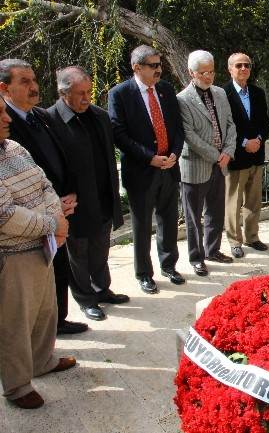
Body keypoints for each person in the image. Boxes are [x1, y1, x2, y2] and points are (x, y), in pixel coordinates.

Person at [0, 96, 77, 409]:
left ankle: (42, 361)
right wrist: (52, 224)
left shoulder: (14, 148)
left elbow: (45, 184)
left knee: (45, 310)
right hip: (13, 255)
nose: (7, 118)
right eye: (0, 114)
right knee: (15, 322)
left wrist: (55, 219)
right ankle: (17, 385)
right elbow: (5, 215)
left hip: (44, 245)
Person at [0, 58, 86, 335]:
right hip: (29, 229)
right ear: (4, 88)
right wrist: (52, 213)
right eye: (24, 82)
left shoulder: (41, 116)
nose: (34, 87)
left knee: (58, 270)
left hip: (57, 210)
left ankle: (57, 322)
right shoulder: (8, 127)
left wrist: (68, 194)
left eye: (34, 80)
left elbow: (60, 160)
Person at [47, 66, 129, 320]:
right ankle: (85, 299)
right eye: (80, 93)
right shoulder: (50, 120)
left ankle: (102, 289)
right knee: (78, 254)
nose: (86, 98)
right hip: (76, 202)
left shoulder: (99, 116)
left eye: (89, 92)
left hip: (103, 196)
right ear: (64, 93)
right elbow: (49, 165)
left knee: (100, 249)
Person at [108, 45, 185, 294]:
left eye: (160, 64)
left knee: (169, 221)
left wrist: (174, 153)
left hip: (169, 167)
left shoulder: (166, 89)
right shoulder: (120, 94)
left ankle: (169, 265)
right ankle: (143, 273)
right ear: (137, 67)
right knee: (142, 226)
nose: (159, 70)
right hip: (141, 171)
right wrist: (149, 158)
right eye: (153, 66)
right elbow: (119, 134)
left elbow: (178, 127)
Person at [177, 50, 236, 277]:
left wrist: (228, 152)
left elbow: (230, 124)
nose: (208, 76)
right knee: (194, 218)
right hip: (195, 165)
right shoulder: (182, 99)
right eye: (203, 73)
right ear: (191, 72)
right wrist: (216, 155)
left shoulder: (220, 93)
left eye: (211, 71)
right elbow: (189, 135)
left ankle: (213, 250)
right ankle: (197, 258)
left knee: (216, 211)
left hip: (220, 164)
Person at [223, 53, 269, 259]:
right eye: (239, 65)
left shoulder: (258, 93)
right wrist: (244, 143)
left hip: (256, 156)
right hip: (236, 157)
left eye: (247, 65)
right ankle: (235, 241)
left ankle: (252, 237)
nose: (243, 68)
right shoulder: (222, 93)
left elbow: (264, 122)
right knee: (234, 203)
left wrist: (258, 139)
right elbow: (224, 126)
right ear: (230, 69)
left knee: (254, 201)